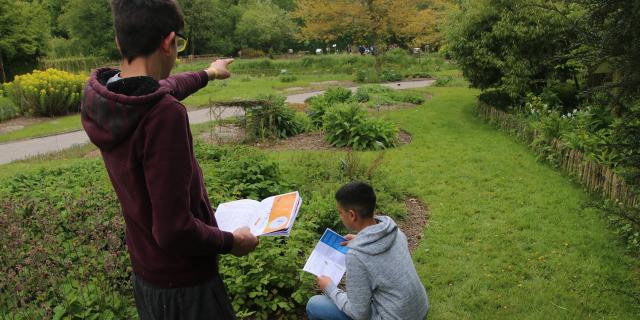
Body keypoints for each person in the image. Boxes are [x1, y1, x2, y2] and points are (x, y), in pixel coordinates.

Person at [80, 1, 258, 319]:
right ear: (169, 41)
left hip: (148, 276)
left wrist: (210, 73)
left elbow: (168, 86)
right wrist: (232, 241)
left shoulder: (108, 98)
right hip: (186, 288)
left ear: (120, 41)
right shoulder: (163, 114)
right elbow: (174, 230)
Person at [306, 182, 429, 320]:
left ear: (352, 215)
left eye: (340, 212)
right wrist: (361, 239)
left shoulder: (357, 256)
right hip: (419, 310)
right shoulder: (394, 231)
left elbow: (359, 314)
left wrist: (329, 288)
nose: (340, 216)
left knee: (315, 304)